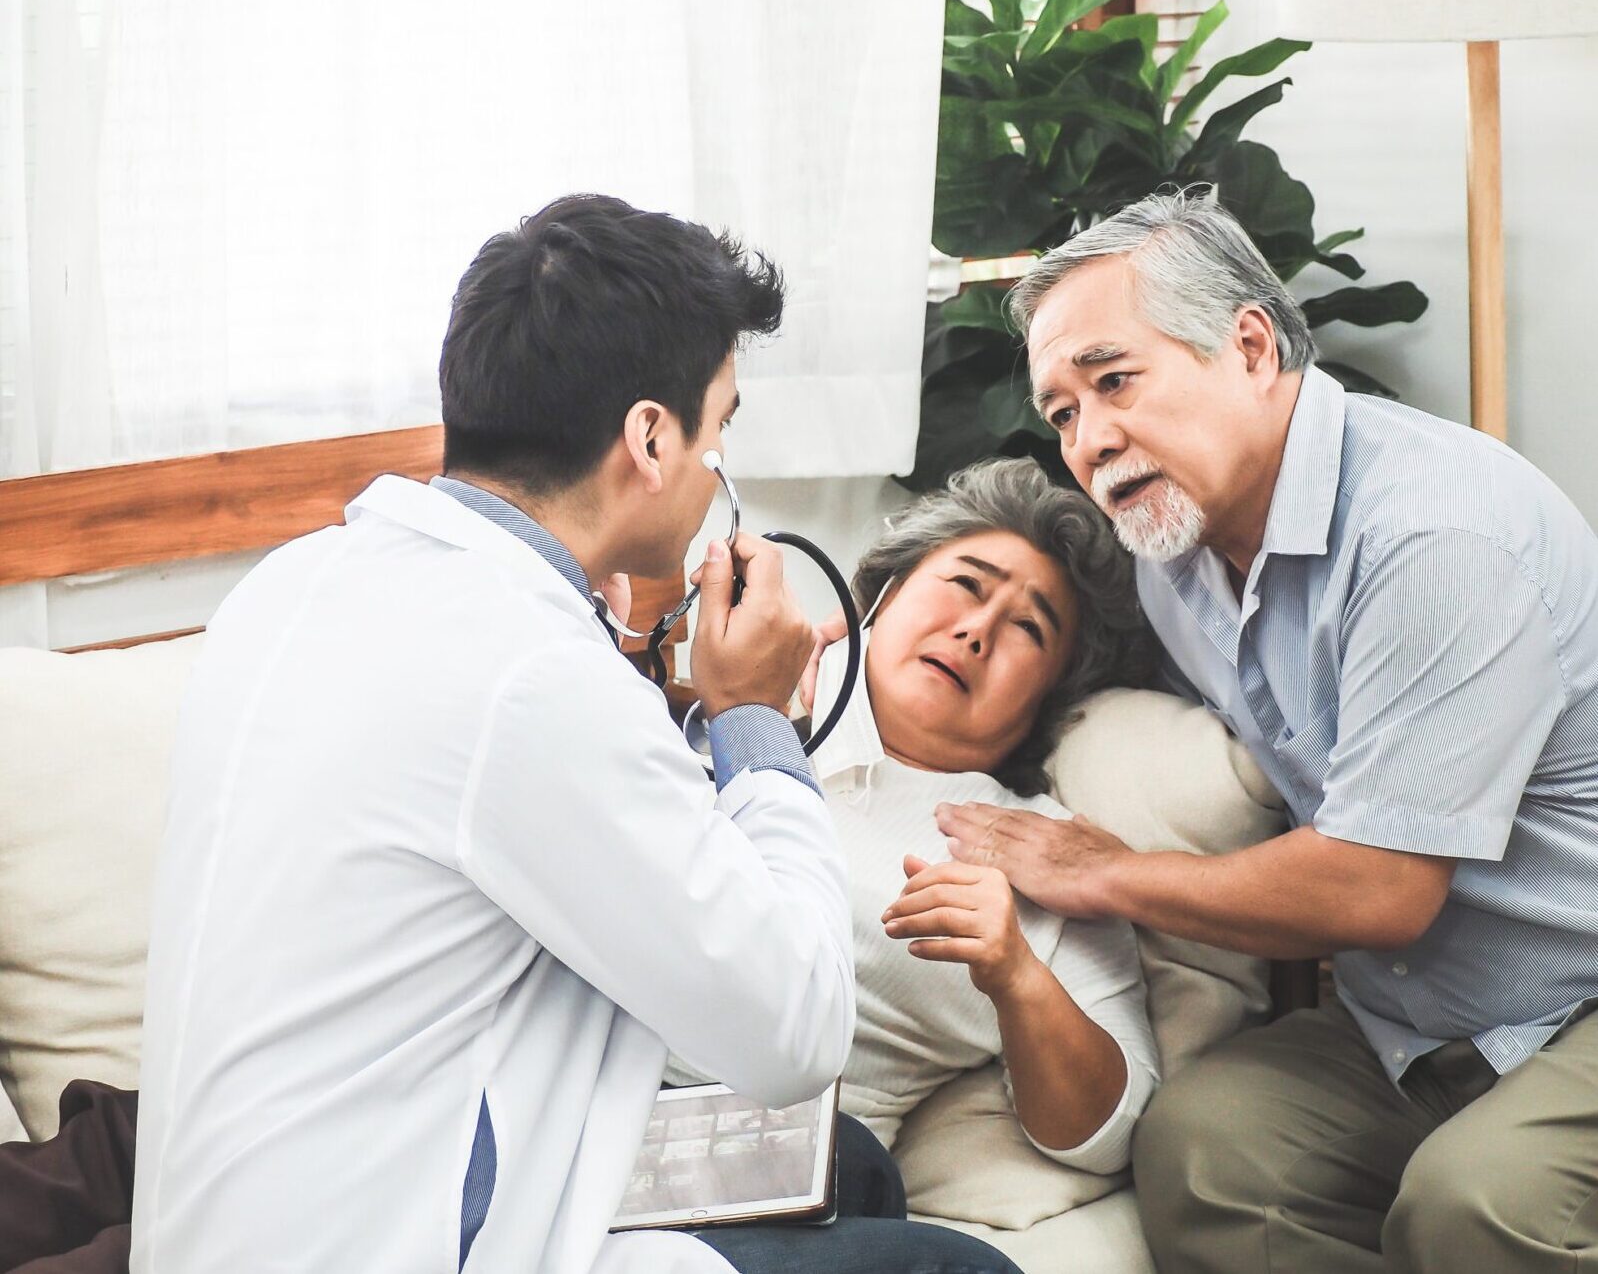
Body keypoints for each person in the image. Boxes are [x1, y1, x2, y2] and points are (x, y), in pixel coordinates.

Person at [132, 195, 859, 1274]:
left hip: (252, 1225)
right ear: (652, 438)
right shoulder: (531, 675)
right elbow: (794, 1030)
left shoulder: (288, 585)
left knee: (860, 1177)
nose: (720, 474)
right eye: (722, 428)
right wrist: (755, 714)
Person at [927, 189, 1598, 1272]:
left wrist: (1107, 873)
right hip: (1413, 1026)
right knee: (1203, 1152)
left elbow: (1375, 890)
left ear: (1246, 346)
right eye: (1061, 413)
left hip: (1575, 997)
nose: (1091, 439)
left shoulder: (1431, 535)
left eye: (1112, 380)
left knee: (1470, 1202)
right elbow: (1029, 652)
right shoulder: (1171, 559)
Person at [693, 458, 1158, 1274]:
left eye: (1030, 629)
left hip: (771, 1178)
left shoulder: (1033, 854)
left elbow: (1106, 1131)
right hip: (574, 1086)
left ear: (1050, 692)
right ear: (882, 596)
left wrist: (1016, 974)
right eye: (968, 585)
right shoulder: (743, 685)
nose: (978, 630)